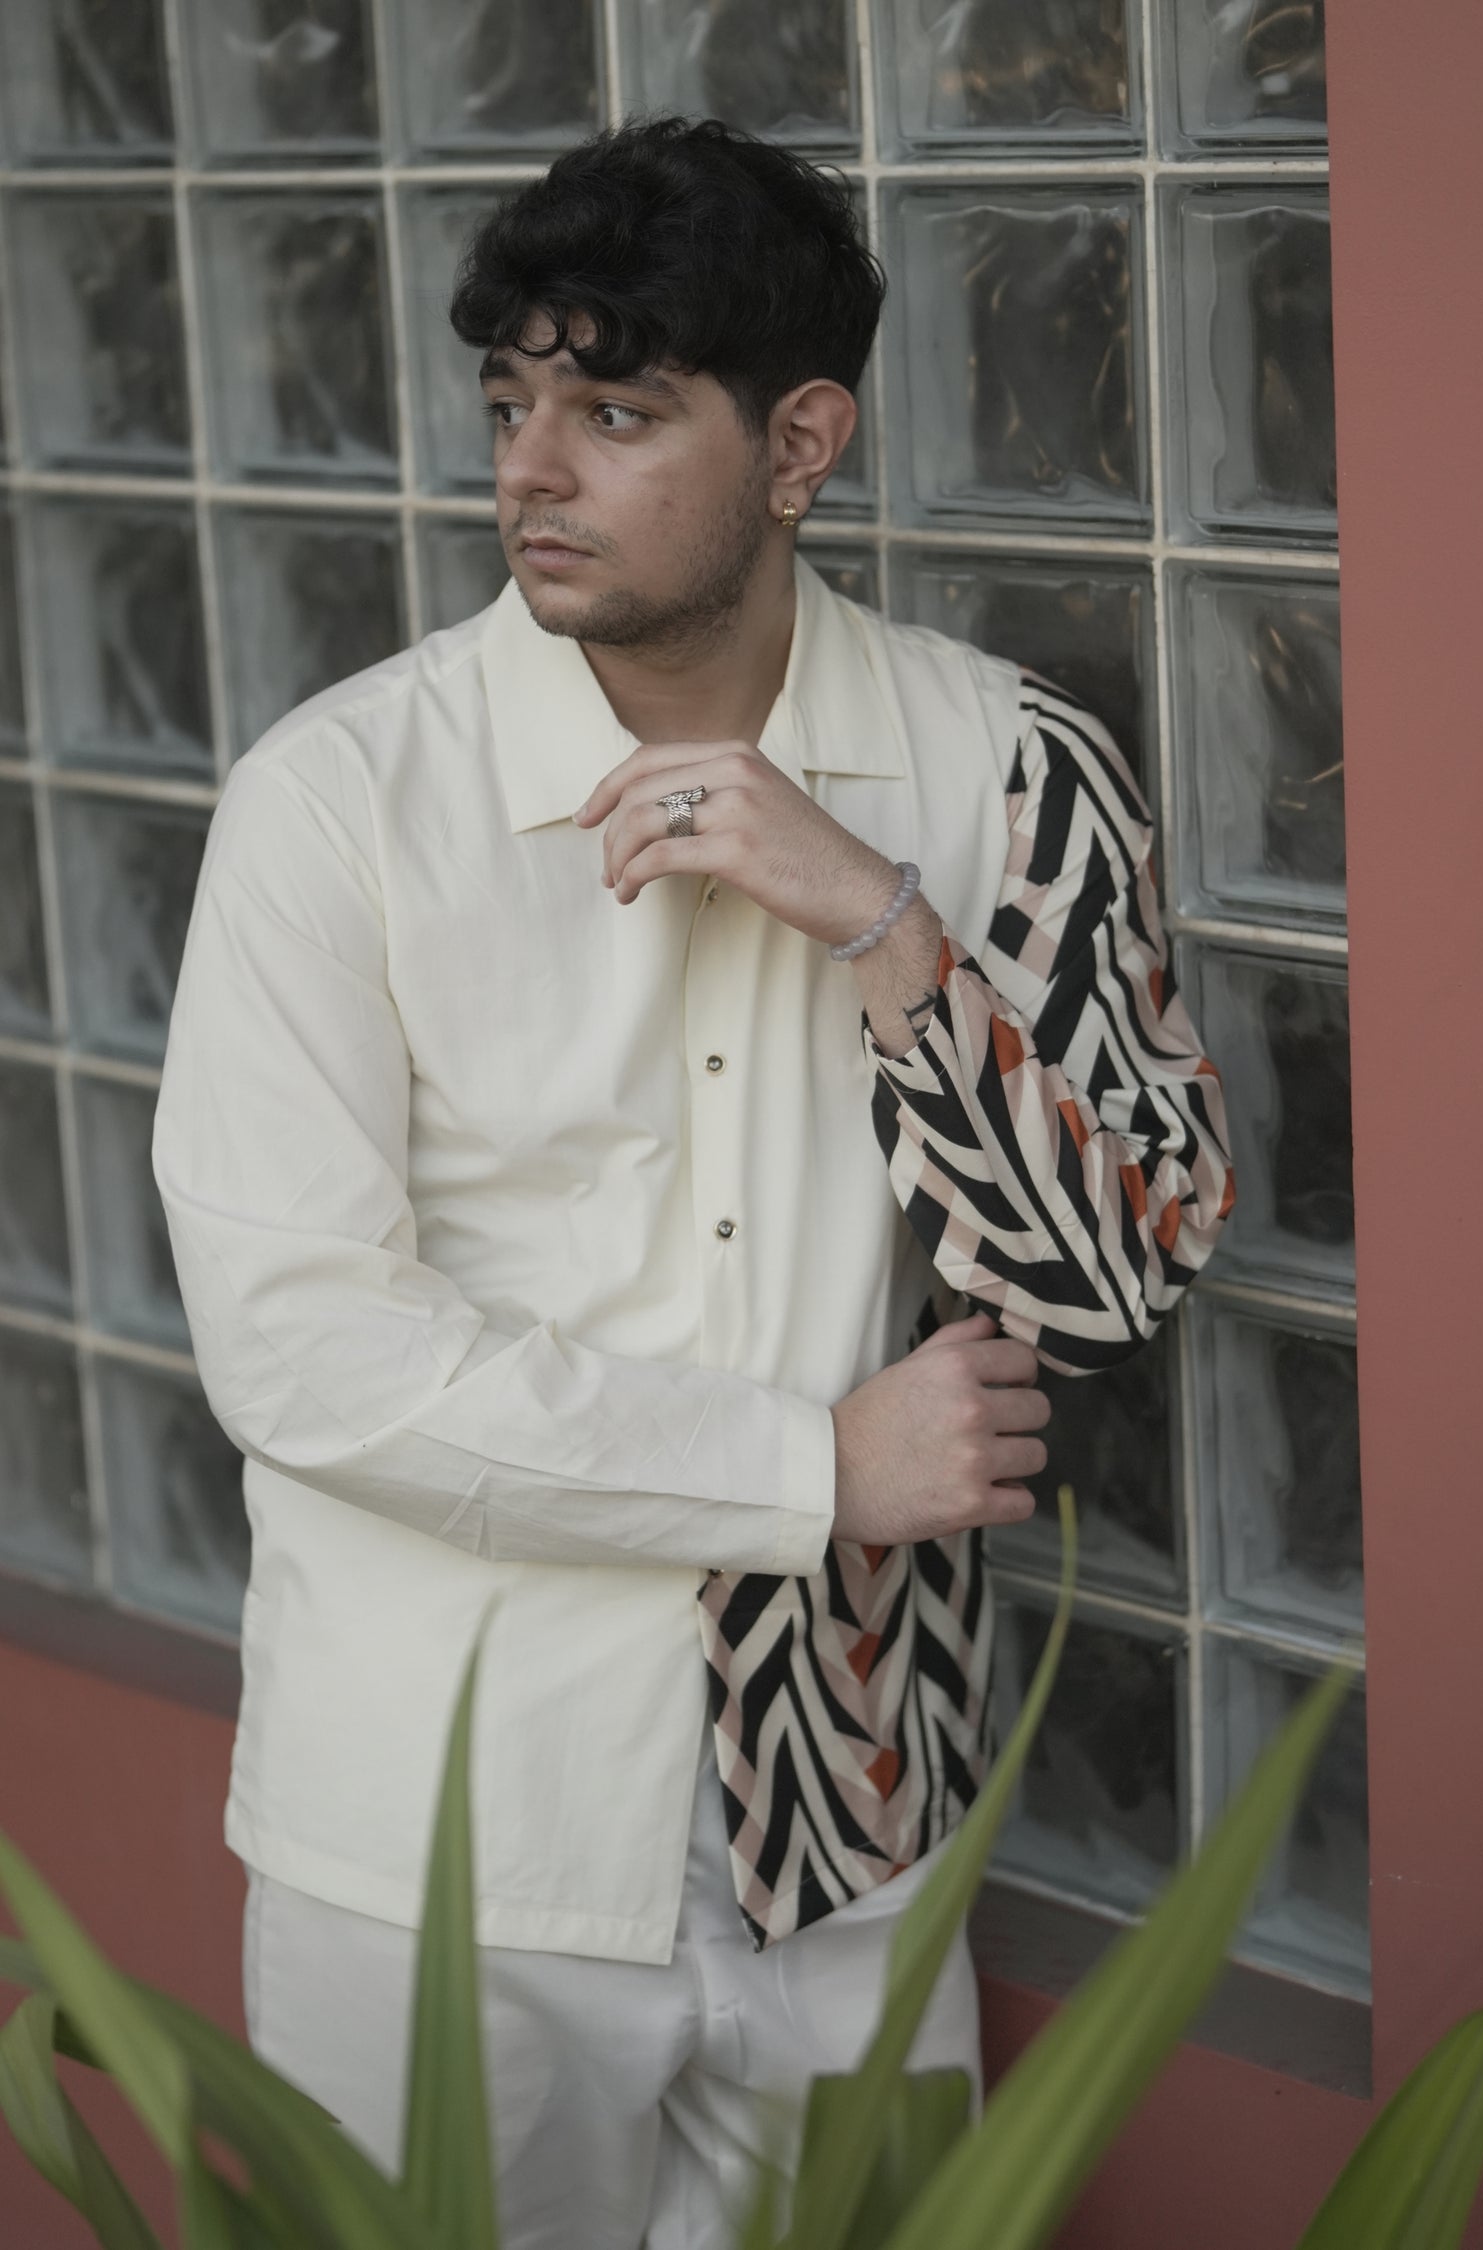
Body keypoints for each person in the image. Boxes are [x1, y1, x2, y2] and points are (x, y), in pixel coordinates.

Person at [151, 114, 1233, 2250]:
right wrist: (813, 1465)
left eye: (619, 413)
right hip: (447, 1845)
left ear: (802, 440)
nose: (532, 474)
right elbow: (305, 1353)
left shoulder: (1009, 766)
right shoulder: (337, 803)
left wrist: (883, 925)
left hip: (852, 1821)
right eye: (511, 407)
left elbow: (1123, 1269)